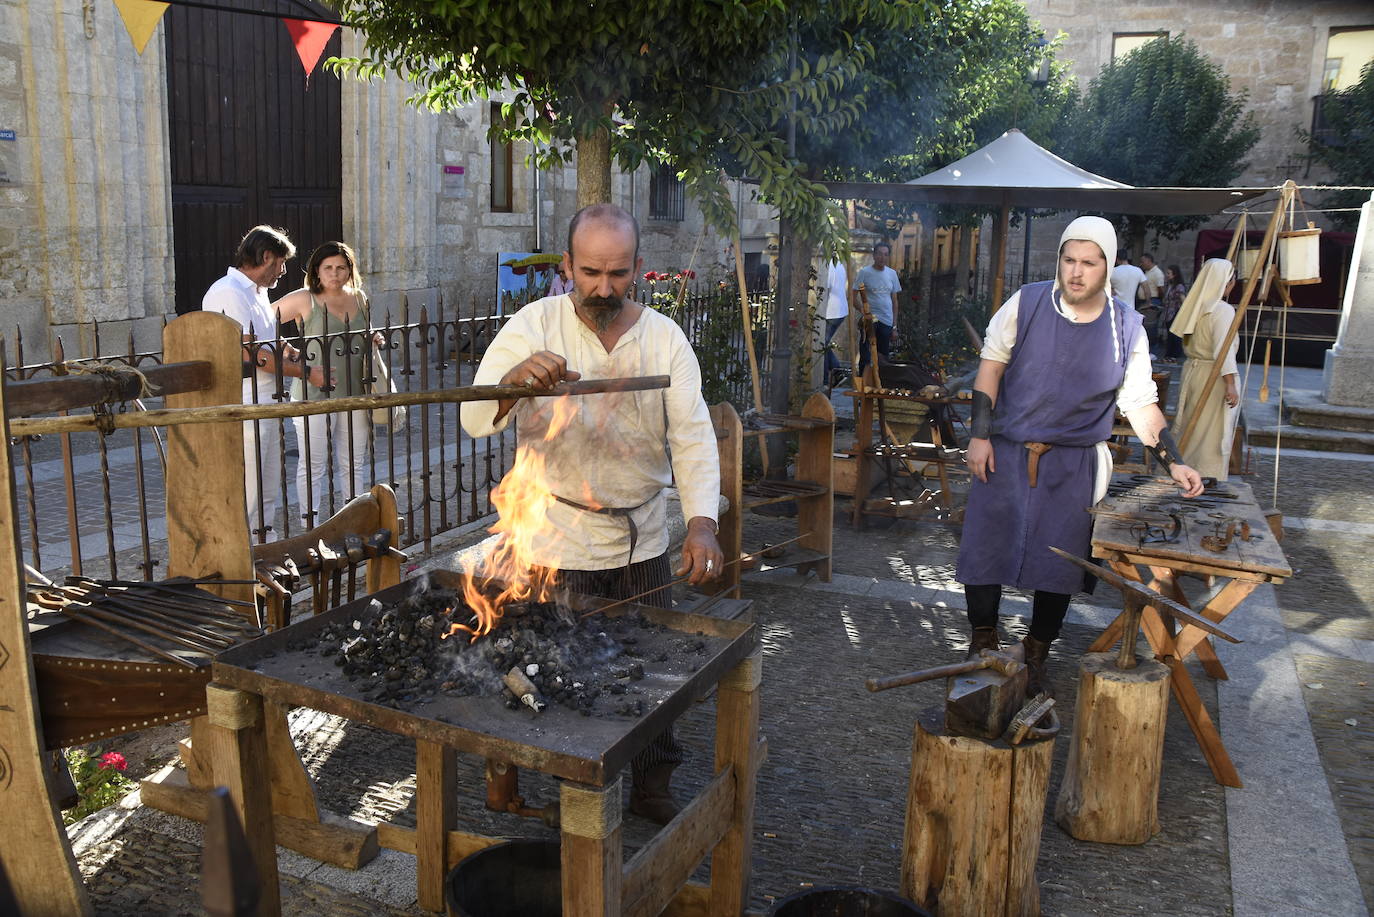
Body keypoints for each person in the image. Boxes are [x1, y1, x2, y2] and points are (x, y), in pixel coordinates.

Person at [461, 203, 723, 824]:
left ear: (640, 267)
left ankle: (653, 780)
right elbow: (473, 420)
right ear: (566, 265)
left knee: (653, 669)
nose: (604, 288)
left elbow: (691, 436)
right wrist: (513, 384)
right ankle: (575, 786)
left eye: (618, 273)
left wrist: (702, 522)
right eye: (590, 273)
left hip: (643, 539)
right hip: (557, 540)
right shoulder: (533, 325)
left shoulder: (664, 338)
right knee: (562, 671)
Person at [956, 216, 1204, 697]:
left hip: (1073, 464)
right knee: (986, 548)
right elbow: (990, 368)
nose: (1076, 272)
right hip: (1005, 451)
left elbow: (1139, 403)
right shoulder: (1025, 302)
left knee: (1060, 563)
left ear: (1106, 267)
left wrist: (1174, 461)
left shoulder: (1126, 328)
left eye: (1088, 263)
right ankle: (982, 641)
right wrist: (979, 436)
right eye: (1069, 260)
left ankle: (1037, 651)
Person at [202, 225, 327, 541]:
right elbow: (251, 354)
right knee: (249, 482)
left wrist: (293, 351)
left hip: (268, 398)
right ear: (266, 256)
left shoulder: (257, 293)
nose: (283, 272)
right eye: (281, 263)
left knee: (268, 480)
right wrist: (308, 374)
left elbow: (269, 338)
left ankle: (263, 542)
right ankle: (242, 549)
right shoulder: (229, 291)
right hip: (244, 399)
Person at [275, 242, 378, 528]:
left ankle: (353, 521)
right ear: (317, 271)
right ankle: (313, 526)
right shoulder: (303, 299)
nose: (335, 274)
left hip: (355, 391)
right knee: (313, 465)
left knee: (353, 461)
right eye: (328, 268)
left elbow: (363, 335)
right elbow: (259, 323)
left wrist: (373, 338)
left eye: (341, 268)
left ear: (349, 270)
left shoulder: (360, 298)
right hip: (313, 394)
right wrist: (291, 352)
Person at [1170, 258, 1241, 479]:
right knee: (1210, 432)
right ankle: (1204, 475)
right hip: (1214, 377)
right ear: (1225, 283)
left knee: (1193, 426)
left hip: (1194, 372)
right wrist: (1230, 384)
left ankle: (1185, 468)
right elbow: (1224, 351)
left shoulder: (1196, 306)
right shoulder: (1222, 310)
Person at [855, 242, 901, 375]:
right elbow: (852, 297)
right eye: (880, 254)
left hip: (886, 321)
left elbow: (895, 302)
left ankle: (880, 388)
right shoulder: (864, 273)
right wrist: (863, 311)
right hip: (870, 320)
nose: (883, 257)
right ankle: (864, 387)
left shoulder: (892, 274)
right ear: (874, 255)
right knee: (865, 355)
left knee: (883, 357)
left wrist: (894, 327)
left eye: (886, 254)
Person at [821, 259, 848, 386]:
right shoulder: (839, 264)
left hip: (831, 311)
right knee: (824, 344)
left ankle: (826, 379)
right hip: (839, 310)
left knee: (822, 345)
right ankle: (837, 372)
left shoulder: (828, 265)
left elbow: (825, 287)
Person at [1160, 264, 1187, 362]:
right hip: (1168, 312)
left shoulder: (1179, 286)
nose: (1167, 275)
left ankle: (1175, 354)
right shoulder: (1169, 285)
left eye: (1169, 273)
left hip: (1175, 312)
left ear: (1174, 274)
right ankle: (1169, 353)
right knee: (1169, 334)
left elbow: (1182, 299)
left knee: (1174, 334)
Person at [1110, 248, 1146, 315]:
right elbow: (1146, 288)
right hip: (1131, 309)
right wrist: (1148, 302)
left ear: (1117, 259)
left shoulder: (1112, 272)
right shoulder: (1137, 270)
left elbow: (1103, 287)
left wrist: (1111, 289)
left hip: (1115, 308)